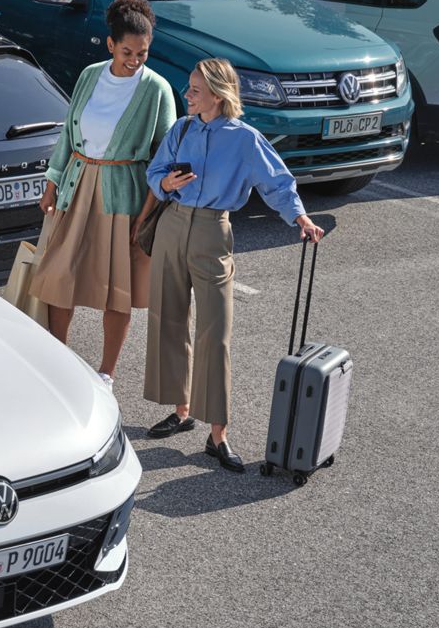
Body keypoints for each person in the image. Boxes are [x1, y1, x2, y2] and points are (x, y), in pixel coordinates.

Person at [136, 58, 325, 472]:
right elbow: (155, 172)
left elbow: (278, 182)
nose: (187, 95)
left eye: (195, 90)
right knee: (167, 318)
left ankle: (217, 433)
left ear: (219, 95)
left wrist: (301, 218)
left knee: (215, 332)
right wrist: (165, 183)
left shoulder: (245, 139)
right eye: (188, 88)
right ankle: (181, 410)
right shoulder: (182, 128)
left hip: (211, 232)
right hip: (171, 225)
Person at [31, 0, 176, 383]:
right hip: (76, 187)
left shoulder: (157, 89)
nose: (135, 59)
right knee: (58, 279)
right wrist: (52, 180)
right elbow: (68, 133)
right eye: (127, 50)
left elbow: (164, 154)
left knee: (117, 289)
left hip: (123, 195)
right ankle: (58, 361)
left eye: (143, 52)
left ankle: (105, 374)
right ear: (110, 44)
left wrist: (148, 212)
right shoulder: (90, 75)